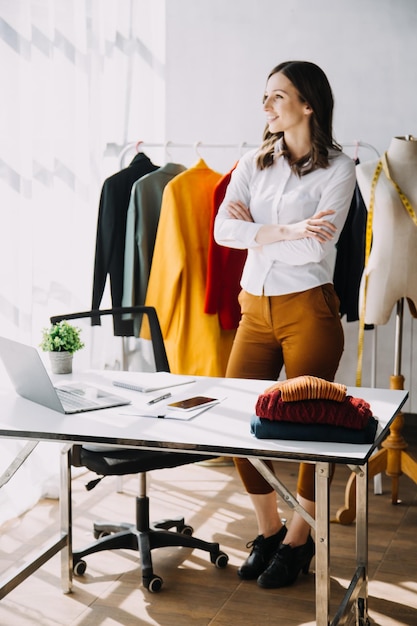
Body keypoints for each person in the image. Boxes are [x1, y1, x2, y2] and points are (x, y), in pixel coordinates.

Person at [214, 60, 356, 589]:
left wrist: (262, 232)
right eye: (266, 97)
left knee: (309, 428)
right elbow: (224, 230)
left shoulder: (340, 169)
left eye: (278, 96)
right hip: (256, 308)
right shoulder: (254, 162)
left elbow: (317, 244)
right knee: (235, 419)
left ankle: (301, 541)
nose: (267, 106)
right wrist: (285, 229)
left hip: (309, 309)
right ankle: (270, 531)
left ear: (308, 104)